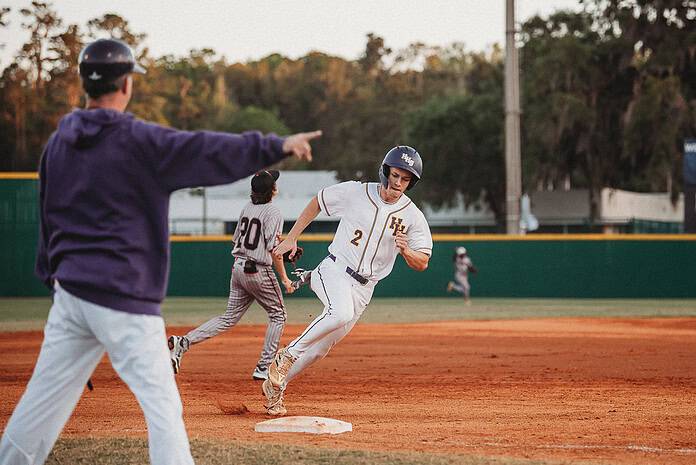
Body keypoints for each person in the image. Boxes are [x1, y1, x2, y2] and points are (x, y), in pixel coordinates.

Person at [0, 38, 321, 465]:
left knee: (40, 405)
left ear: (86, 84)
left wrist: (51, 279)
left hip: (70, 296)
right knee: (163, 408)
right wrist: (275, 144)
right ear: (127, 84)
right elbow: (208, 150)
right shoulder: (136, 140)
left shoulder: (57, 144)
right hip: (122, 296)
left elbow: (47, 217)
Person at [263, 145, 433, 416]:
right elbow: (318, 200)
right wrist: (292, 237)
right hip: (334, 270)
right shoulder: (357, 192)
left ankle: (275, 386)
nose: (398, 182)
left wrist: (407, 250)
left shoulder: (412, 216)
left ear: (411, 182)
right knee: (339, 312)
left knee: (320, 349)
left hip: (365, 289)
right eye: (395, 174)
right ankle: (286, 355)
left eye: (406, 178)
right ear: (385, 172)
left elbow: (422, 261)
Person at [168, 170, 295, 381]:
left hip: (238, 268)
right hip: (258, 271)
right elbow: (274, 250)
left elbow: (236, 240)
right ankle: (264, 367)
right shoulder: (274, 212)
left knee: (228, 317)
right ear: (272, 190)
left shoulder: (248, 208)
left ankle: (183, 342)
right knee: (278, 315)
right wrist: (285, 279)